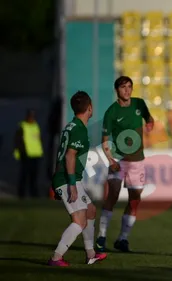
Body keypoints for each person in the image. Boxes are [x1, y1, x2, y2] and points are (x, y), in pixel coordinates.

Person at [95, 76, 154, 253]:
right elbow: (104, 141)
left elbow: (149, 118)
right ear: (117, 90)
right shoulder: (111, 112)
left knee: (135, 199)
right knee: (112, 195)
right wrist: (111, 161)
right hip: (119, 161)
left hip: (137, 161)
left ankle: (122, 239)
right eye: (123, 87)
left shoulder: (139, 104)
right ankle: (102, 236)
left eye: (129, 87)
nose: (127, 90)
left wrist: (150, 124)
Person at [48, 91, 107, 266]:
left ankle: (91, 254)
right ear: (90, 108)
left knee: (90, 210)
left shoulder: (70, 126)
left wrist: (57, 180)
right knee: (79, 221)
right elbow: (69, 156)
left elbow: (62, 155)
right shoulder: (79, 130)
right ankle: (56, 258)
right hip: (69, 180)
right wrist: (71, 185)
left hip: (65, 178)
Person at [14, 109, 44, 198]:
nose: (32, 118)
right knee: (24, 176)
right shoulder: (22, 126)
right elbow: (17, 141)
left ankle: (34, 195)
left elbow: (38, 140)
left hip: (36, 155)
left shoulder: (36, 126)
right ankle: (21, 195)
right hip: (26, 155)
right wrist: (19, 153)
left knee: (34, 177)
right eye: (30, 116)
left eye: (33, 116)